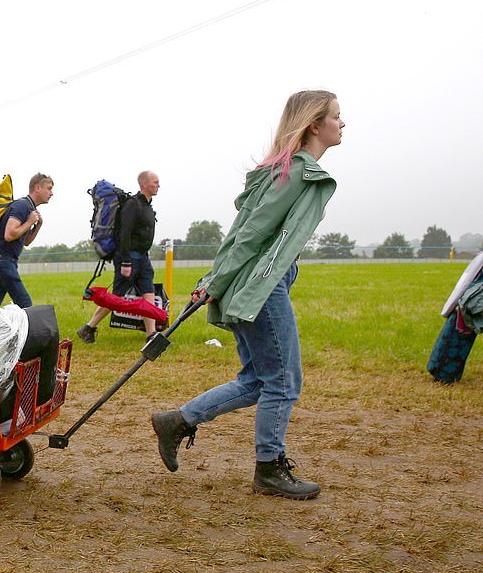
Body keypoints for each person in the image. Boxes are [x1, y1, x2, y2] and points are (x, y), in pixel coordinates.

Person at [151, 90, 344, 500]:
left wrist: (216, 279)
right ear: (314, 125)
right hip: (260, 285)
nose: (342, 124)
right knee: (284, 382)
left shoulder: (284, 170)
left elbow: (246, 232)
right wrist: (215, 281)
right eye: (337, 117)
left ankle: (178, 421)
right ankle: (269, 469)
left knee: (258, 380)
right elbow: (251, 234)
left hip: (257, 281)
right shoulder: (294, 172)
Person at [77, 170, 160, 343]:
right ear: (144, 184)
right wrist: (126, 261)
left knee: (148, 292)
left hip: (143, 258)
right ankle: (89, 327)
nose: (158, 185)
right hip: (128, 258)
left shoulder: (147, 206)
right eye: (155, 182)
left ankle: (151, 335)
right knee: (117, 297)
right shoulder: (132, 205)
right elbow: (124, 234)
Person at [0, 172, 54, 308]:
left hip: (3, 260)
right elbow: (9, 235)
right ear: (38, 188)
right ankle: (33, 330)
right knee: (24, 303)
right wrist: (29, 222)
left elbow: (26, 241)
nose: (51, 193)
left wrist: (38, 225)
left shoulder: (29, 208)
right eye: (49, 188)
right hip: (2, 260)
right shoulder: (22, 206)